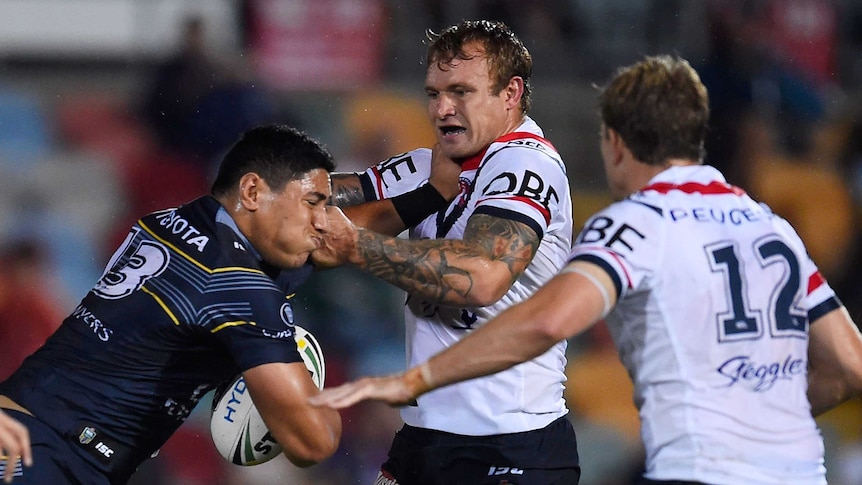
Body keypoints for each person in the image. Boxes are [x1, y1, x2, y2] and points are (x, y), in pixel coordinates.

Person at [311, 55, 862, 485]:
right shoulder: (769, 226)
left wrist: (418, 377)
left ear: (614, 143)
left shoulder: (634, 224)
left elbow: (547, 322)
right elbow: (850, 366)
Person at [0, 125, 346, 484]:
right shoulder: (239, 286)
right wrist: (299, 374)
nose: (322, 222)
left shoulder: (166, 222)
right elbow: (314, 442)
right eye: (312, 203)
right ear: (253, 190)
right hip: (43, 459)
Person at [315, 19, 579, 485]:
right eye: (434, 93)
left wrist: (354, 245)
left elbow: (482, 277)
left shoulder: (527, 165)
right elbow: (325, 200)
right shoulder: (430, 165)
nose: (442, 108)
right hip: (425, 437)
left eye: (461, 91)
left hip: (508, 441)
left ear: (511, 93)